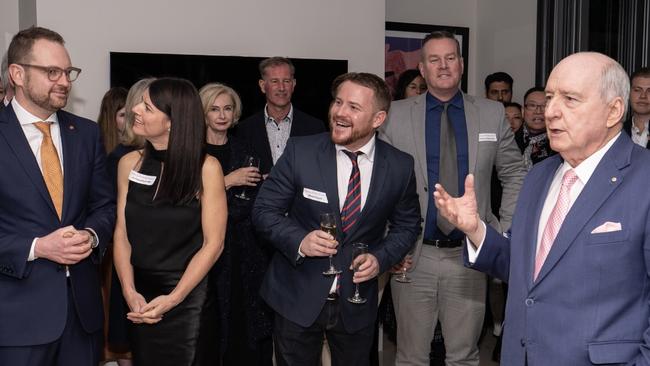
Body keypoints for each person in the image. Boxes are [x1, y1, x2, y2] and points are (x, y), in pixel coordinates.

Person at [434, 51, 650, 366]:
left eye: (570, 99)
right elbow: (526, 268)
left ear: (613, 110)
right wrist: (476, 229)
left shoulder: (643, 178)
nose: (550, 111)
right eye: (549, 98)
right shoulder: (539, 175)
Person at [252, 72, 421, 366]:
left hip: (357, 302)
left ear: (378, 118)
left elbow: (407, 226)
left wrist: (381, 258)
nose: (339, 112)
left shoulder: (399, 166)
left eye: (353, 107)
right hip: (297, 297)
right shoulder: (300, 152)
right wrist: (300, 240)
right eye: (338, 102)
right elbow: (264, 211)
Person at [379, 30, 525, 366]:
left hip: (469, 255)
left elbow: (514, 173)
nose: (443, 65)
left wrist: (501, 233)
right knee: (411, 356)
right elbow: (381, 182)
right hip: (414, 256)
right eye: (434, 59)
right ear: (422, 68)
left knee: (464, 356)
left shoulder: (490, 113)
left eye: (450, 58)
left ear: (461, 64)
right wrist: (390, 242)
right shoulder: (395, 115)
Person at [0, 26, 115, 365]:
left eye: (68, 72)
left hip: (82, 317)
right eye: (51, 72)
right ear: (17, 74)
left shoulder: (86, 134)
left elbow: (104, 205)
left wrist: (92, 236)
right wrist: (37, 247)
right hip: (16, 319)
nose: (64, 81)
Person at [113, 77, 227, 365]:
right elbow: (123, 233)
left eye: (148, 107)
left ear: (172, 122)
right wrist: (129, 291)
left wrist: (174, 298)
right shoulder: (129, 164)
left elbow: (214, 244)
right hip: (141, 296)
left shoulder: (207, 168)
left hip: (188, 298)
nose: (136, 109)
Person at [199, 82, 273, 365]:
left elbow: (252, 201)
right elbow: (186, 203)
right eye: (214, 109)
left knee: (245, 322)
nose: (221, 115)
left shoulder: (245, 147)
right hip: (206, 249)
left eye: (227, 108)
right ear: (203, 113)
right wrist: (228, 181)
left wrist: (232, 198)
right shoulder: (192, 151)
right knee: (211, 323)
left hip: (246, 250)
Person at [104, 79, 150, 366]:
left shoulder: (187, 160)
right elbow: (116, 219)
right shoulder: (120, 159)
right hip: (130, 263)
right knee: (130, 339)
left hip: (169, 269)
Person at [235, 56, 326, 175]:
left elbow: (322, 171)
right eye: (274, 81)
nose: (282, 88)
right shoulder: (244, 130)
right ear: (262, 86)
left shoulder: (315, 128)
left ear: (293, 84)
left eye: (286, 81)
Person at [515, 86, 556, 169]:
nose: (538, 111)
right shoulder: (509, 140)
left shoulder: (560, 145)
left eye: (544, 106)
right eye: (532, 105)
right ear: (523, 111)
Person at [623, 67, 650, 148]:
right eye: (637, 90)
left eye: (649, 91)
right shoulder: (616, 133)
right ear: (628, 93)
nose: (643, 96)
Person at [97, 87, 128, 154]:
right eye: (123, 115)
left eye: (131, 114)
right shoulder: (97, 144)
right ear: (110, 118)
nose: (129, 119)